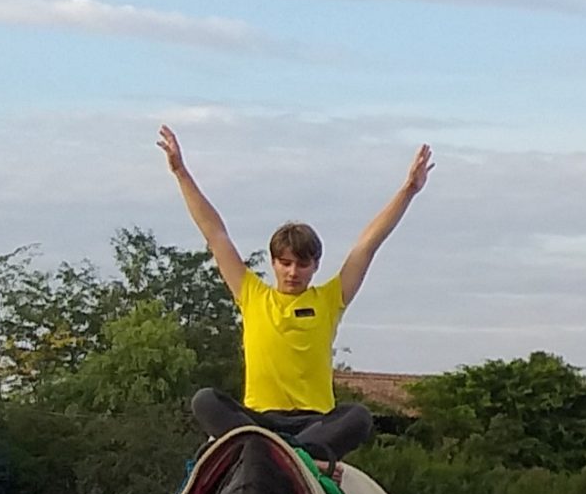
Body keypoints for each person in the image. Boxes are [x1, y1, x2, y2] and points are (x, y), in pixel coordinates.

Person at [157, 124, 432, 463]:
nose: (293, 272)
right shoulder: (251, 293)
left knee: (359, 416)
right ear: (273, 263)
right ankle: (269, 447)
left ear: (315, 265)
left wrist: (408, 190)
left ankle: (290, 452)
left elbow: (367, 244)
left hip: (314, 424)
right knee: (205, 400)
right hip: (258, 422)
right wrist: (181, 172)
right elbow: (215, 234)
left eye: (302, 264)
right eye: (285, 263)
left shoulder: (329, 299)